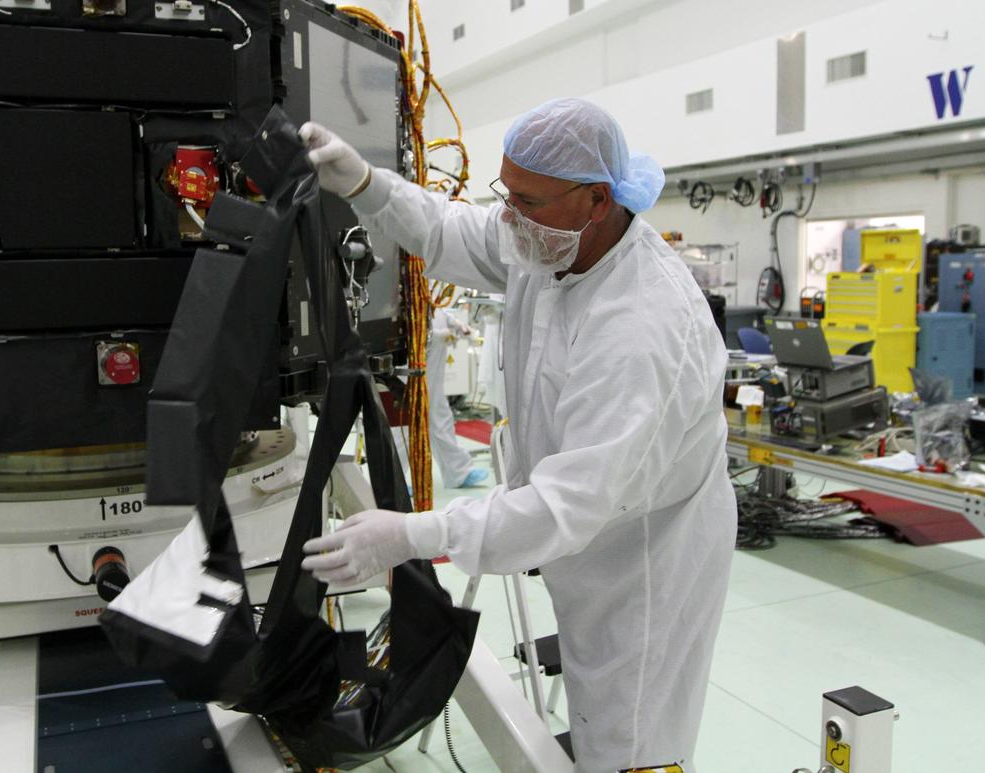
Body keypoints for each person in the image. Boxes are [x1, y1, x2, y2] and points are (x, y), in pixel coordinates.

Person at [299, 97, 736, 772]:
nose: (509, 216)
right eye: (507, 194)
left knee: (630, 737)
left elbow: (567, 505)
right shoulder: (548, 243)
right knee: (593, 712)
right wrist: (364, 182)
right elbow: (449, 229)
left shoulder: (641, 329)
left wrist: (416, 533)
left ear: (597, 199)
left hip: (646, 558)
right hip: (584, 539)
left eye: (526, 201)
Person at [427, 307, 490, 488]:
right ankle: (393, 481)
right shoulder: (405, 283)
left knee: (440, 417)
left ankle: (459, 472)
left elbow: (435, 306)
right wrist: (437, 334)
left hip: (433, 361)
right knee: (404, 425)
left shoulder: (427, 283)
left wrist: (454, 322)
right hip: (413, 359)